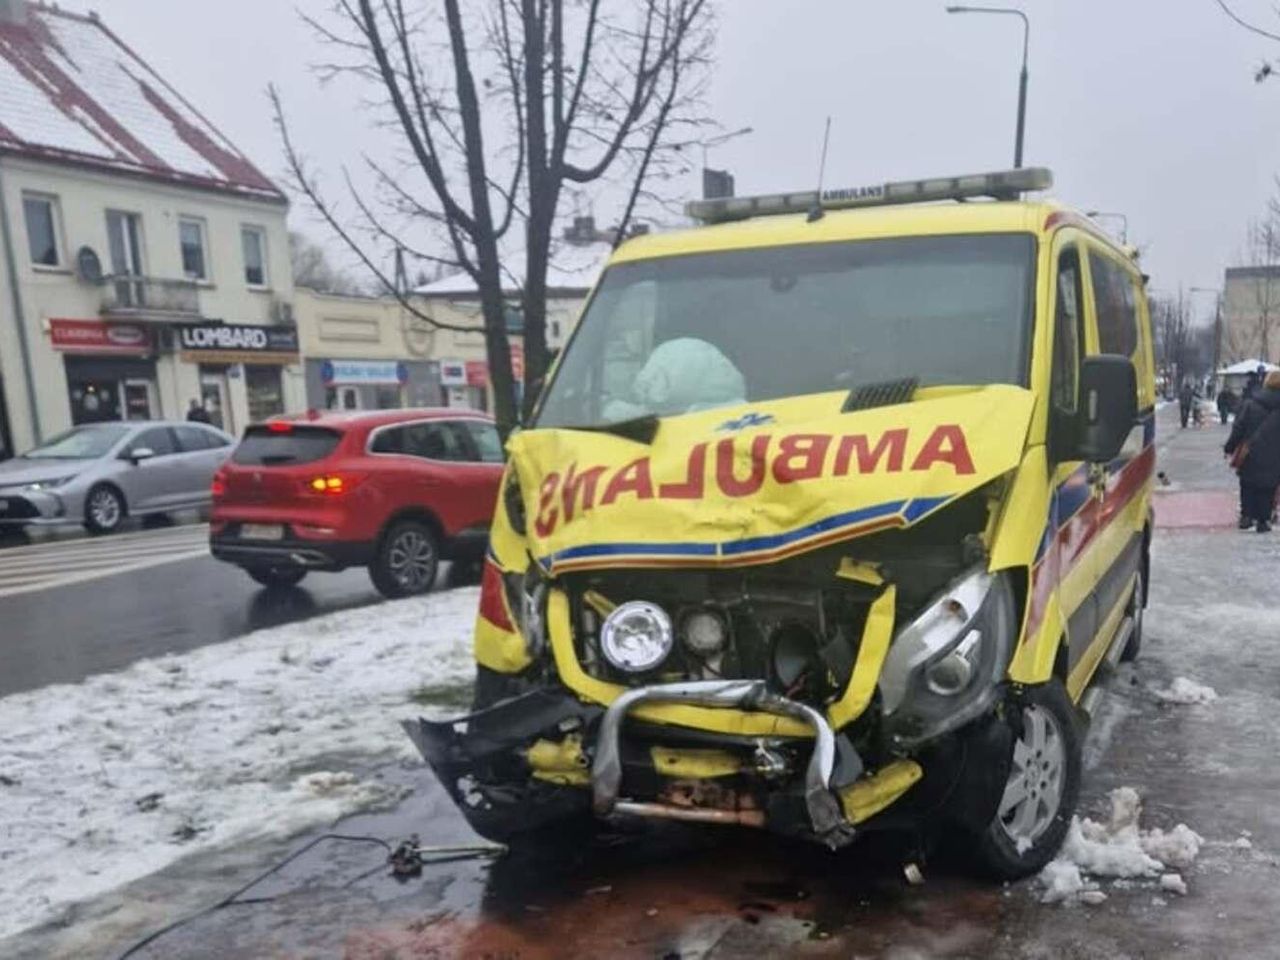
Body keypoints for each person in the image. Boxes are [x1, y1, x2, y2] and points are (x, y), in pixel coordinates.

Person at [1225, 370, 1280, 533]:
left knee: (1248, 483)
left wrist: (1230, 446)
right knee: (1268, 486)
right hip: (1275, 456)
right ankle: (1263, 519)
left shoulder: (1251, 403)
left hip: (1250, 452)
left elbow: (1239, 428)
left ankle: (1246, 517)